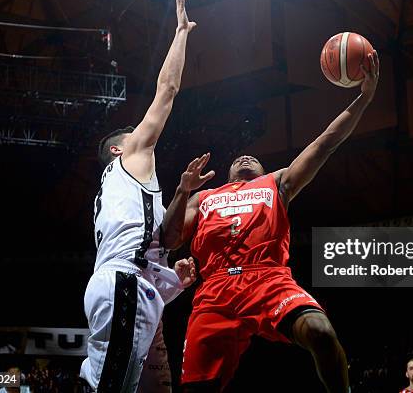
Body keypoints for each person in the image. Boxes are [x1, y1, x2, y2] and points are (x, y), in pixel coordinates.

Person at [161, 51, 380, 392]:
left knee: (321, 332)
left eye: (254, 158)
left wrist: (363, 99)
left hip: (267, 278)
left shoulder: (277, 183)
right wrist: (180, 190)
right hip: (215, 291)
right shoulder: (203, 197)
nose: (246, 157)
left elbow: (325, 145)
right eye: (239, 158)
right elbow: (172, 239)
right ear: (229, 172)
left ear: (263, 171)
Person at [79, 0, 199, 392]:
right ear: (118, 147)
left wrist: (172, 279)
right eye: (134, 135)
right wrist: (181, 32)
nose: (144, 136)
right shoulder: (130, 154)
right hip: (121, 285)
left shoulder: (115, 193)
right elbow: (166, 91)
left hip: (121, 284)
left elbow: (154, 239)